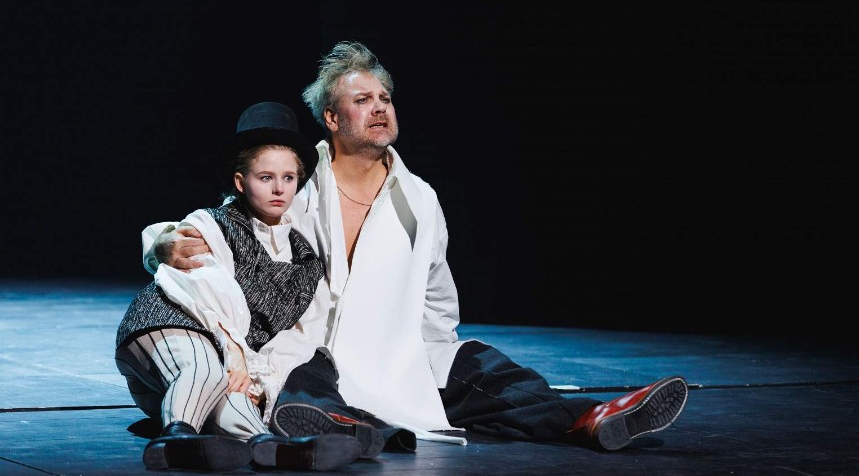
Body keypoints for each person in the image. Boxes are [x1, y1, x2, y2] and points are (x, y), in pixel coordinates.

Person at [146, 41, 689, 453]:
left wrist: (435, 356)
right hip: (312, 351)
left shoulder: (420, 199)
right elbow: (215, 225)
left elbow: (437, 297)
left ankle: (591, 419)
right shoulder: (298, 183)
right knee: (305, 391)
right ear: (332, 118)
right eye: (362, 100)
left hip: (395, 350)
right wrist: (158, 244)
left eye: (385, 98)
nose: (380, 107)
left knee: (489, 371)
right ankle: (350, 431)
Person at [115, 102, 362, 471]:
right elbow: (203, 289)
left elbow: (294, 338)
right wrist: (234, 351)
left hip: (218, 368)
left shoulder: (306, 261)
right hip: (169, 326)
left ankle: (270, 446)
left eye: (288, 178)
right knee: (209, 372)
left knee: (237, 397)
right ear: (240, 181)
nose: (278, 188)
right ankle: (174, 439)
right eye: (265, 177)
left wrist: (263, 383)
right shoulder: (213, 223)